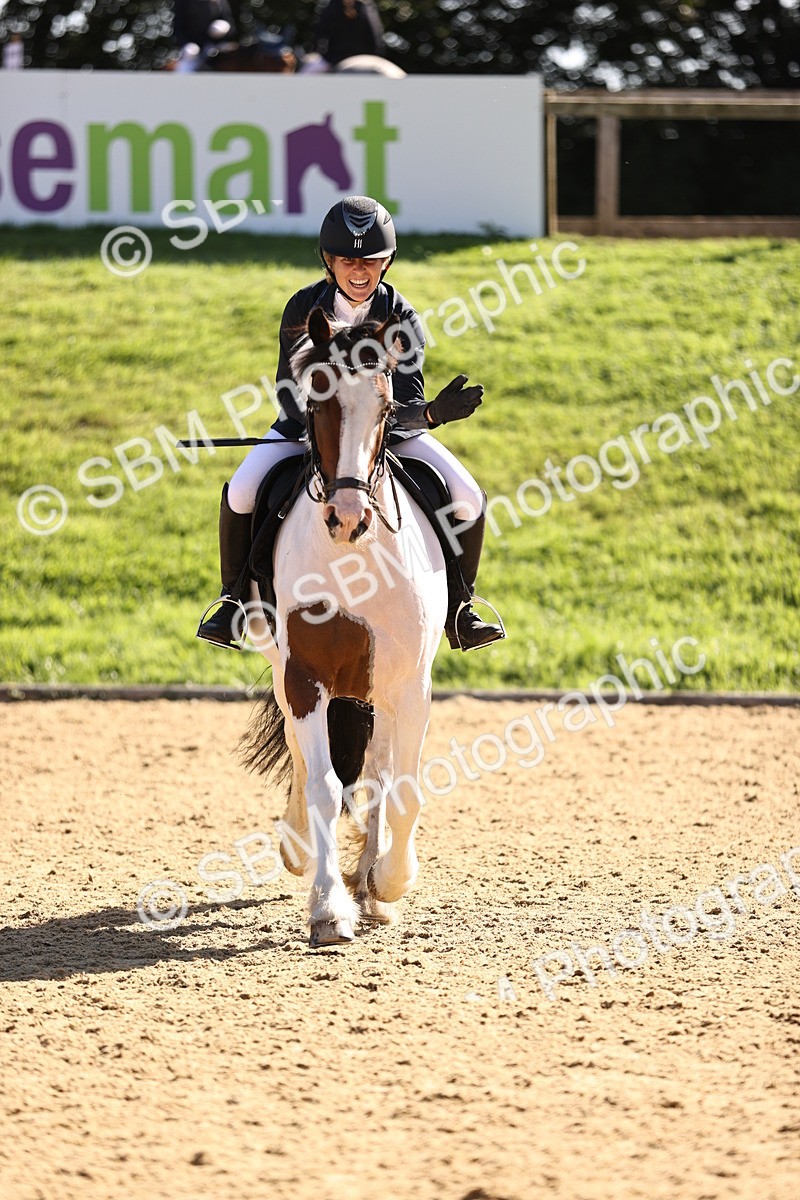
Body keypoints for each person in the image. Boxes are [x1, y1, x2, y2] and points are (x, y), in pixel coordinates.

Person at [196, 195, 505, 653]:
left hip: (385, 434)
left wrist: (433, 415)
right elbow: (289, 391)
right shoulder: (303, 308)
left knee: (468, 497)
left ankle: (461, 607)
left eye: (371, 261)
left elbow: (406, 404)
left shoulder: (402, 318)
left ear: (387, 263)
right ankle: (233, 601)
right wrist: (329, 426)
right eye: (347, 260)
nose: (359, 271)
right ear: (329, 261)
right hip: (307, 429)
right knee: (242, 490)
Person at [312, 0, 385, 66]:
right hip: (366, 58)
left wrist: (320, 54)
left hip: (335, 60)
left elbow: (321, 35)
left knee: (307, 74)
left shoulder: (332, 6)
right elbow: (376, 38)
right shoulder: (367, 6)